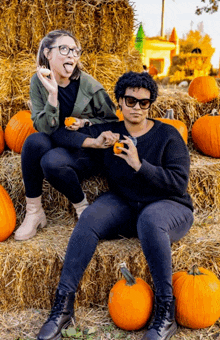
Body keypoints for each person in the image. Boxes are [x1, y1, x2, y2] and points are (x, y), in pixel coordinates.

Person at [36, 71, 194, 340]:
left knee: (150, 219)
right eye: (130, 101)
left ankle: (166, 312)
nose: (136, 107)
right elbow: (59, 135)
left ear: (150, 104)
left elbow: (178, 184)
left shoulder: (168, 135)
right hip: (127, 204)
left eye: (143, 102)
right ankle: (63, 307)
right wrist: (94, 140)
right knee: (89, 219)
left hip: (169, 206)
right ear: (119, 101)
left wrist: (139, 165)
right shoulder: (112, 131)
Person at [14, 29, 118, 241]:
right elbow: (43, 127)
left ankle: (83, 209)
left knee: (51, 161)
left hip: (87, 150)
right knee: (34, 141)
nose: (71, 55)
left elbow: (112, 122)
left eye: (75, 51)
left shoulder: (90, 86)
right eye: (64, 49)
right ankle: (34, 213)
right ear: (47, 53)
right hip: (60, 143)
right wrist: (53, 95)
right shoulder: (39, 82)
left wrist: (85, 122)